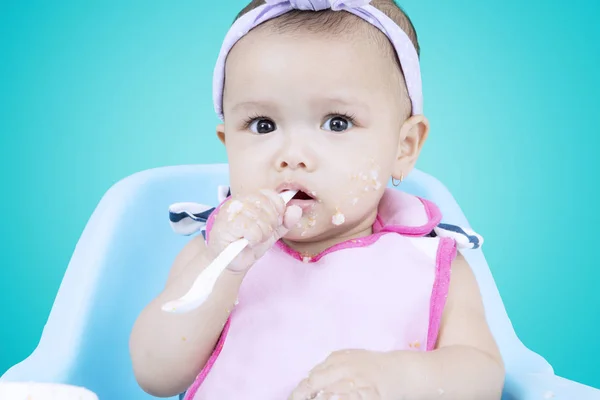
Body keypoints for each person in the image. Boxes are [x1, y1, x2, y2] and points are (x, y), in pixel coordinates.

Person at [129, 0, 505, 398]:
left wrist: (399, 379)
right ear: (228, 144)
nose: (293, 154)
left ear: (403, 146)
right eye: (263, 125)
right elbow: (154, 374)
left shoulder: (430, 258)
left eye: (337, 123)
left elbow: (483, 376)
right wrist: (221, 268)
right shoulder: (216, 252)